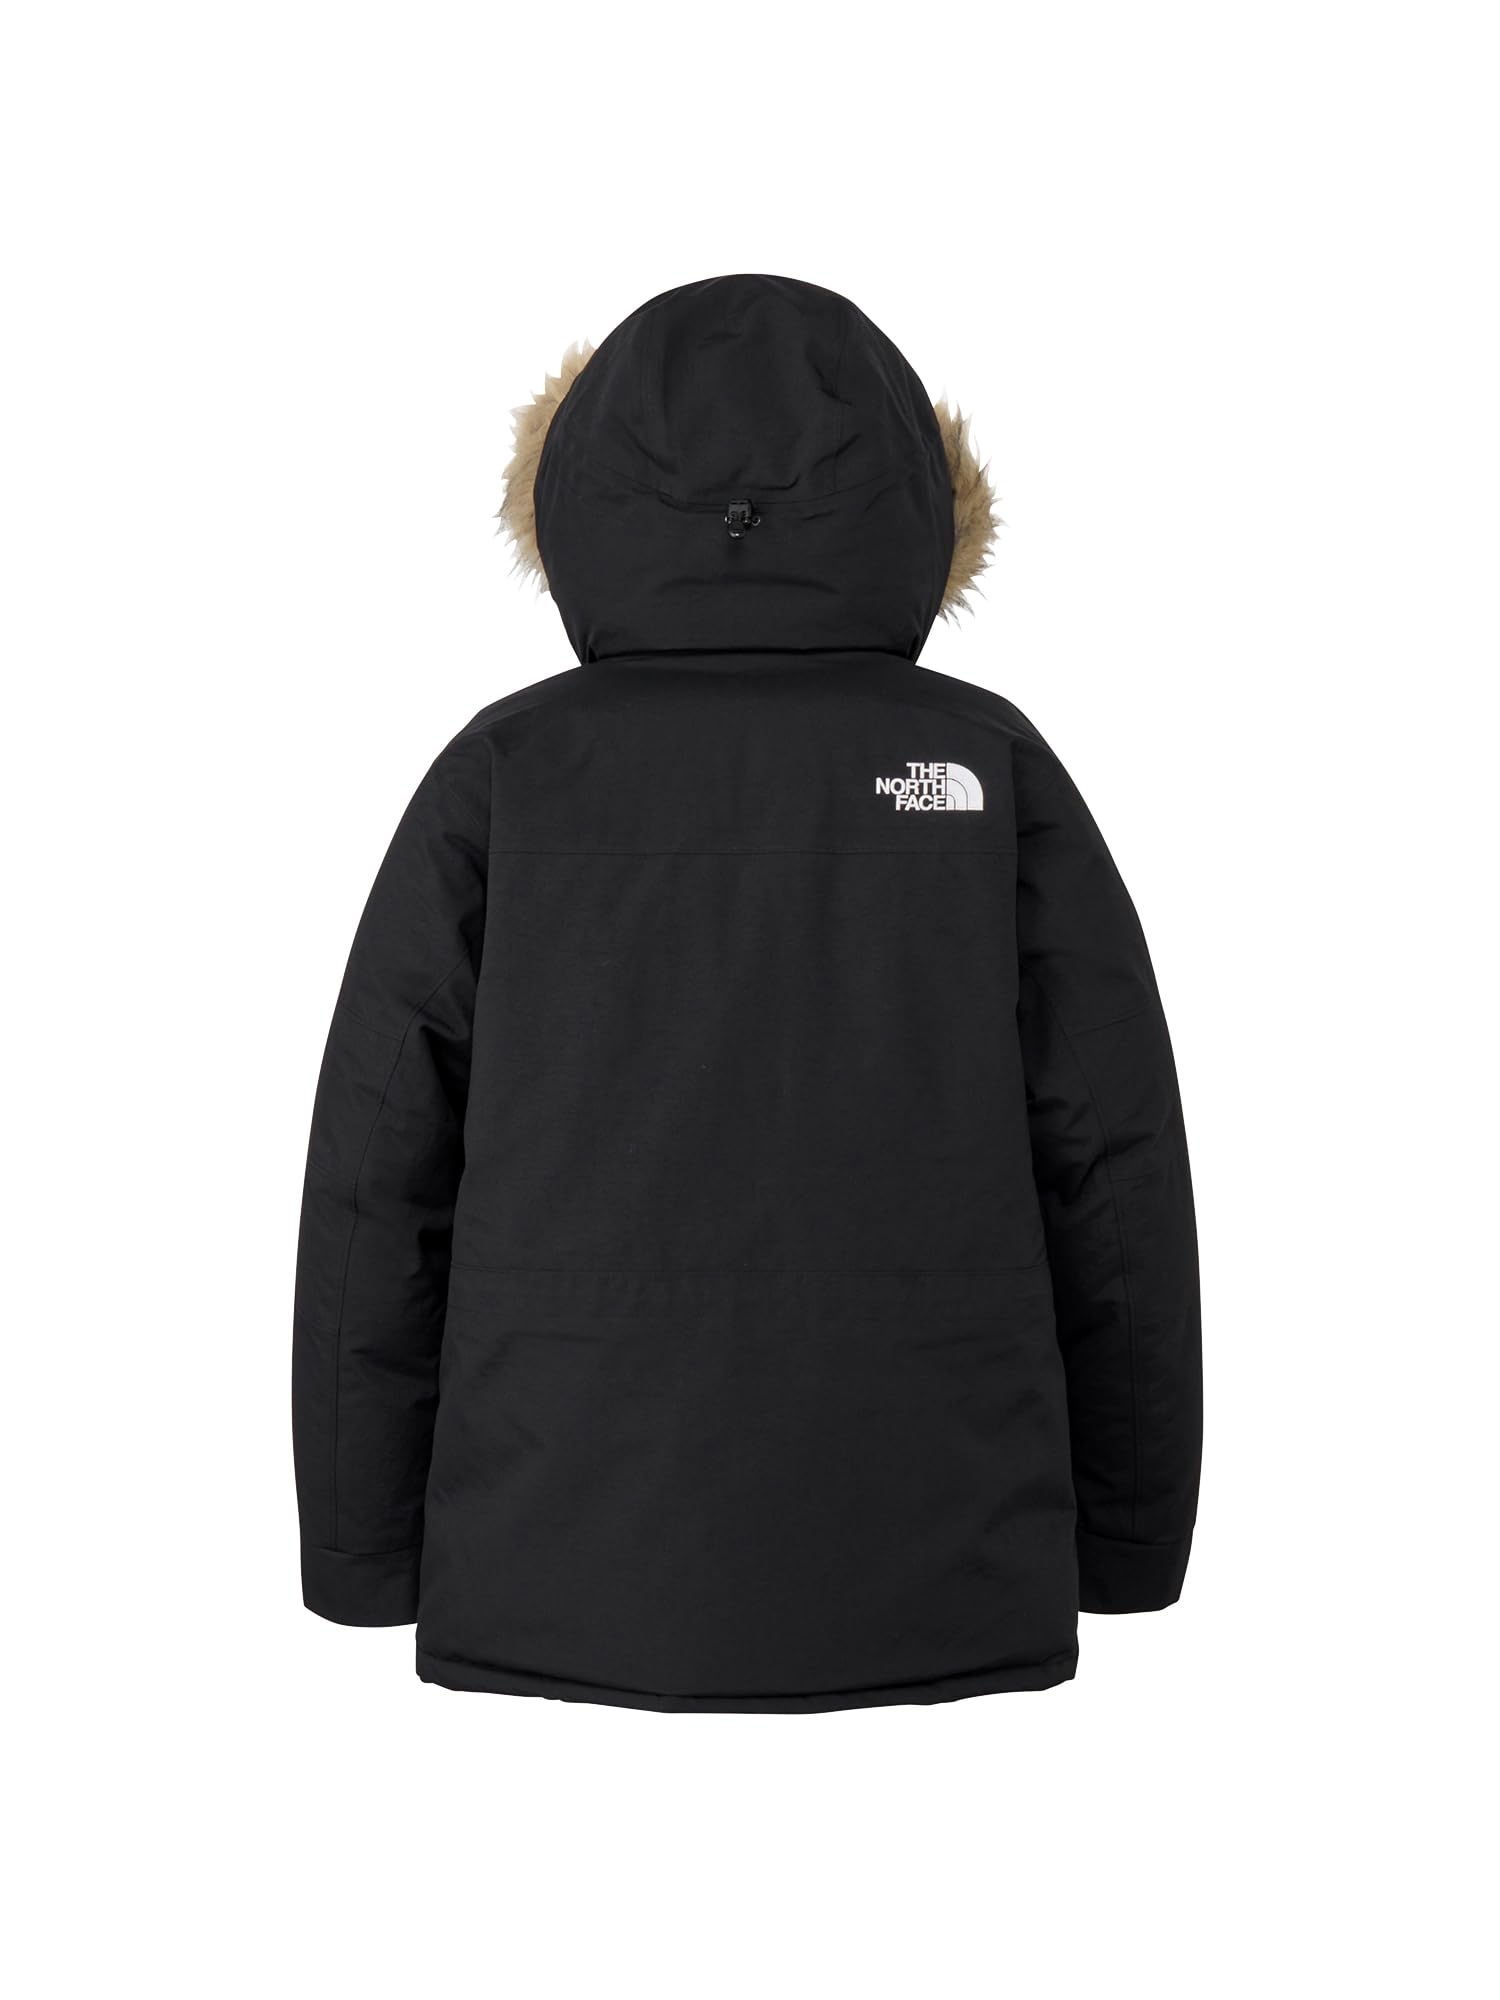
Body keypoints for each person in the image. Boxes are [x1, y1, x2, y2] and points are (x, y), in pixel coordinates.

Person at [293, 273, 1202, 1712]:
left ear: (575, 497)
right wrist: (1131, 1541)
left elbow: (374, 1180)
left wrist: (363, 1555)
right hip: (945, 1565)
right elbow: (1113, 1164)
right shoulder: (983, 766)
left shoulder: (508, 773)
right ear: (919, 500)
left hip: (553, 1564)